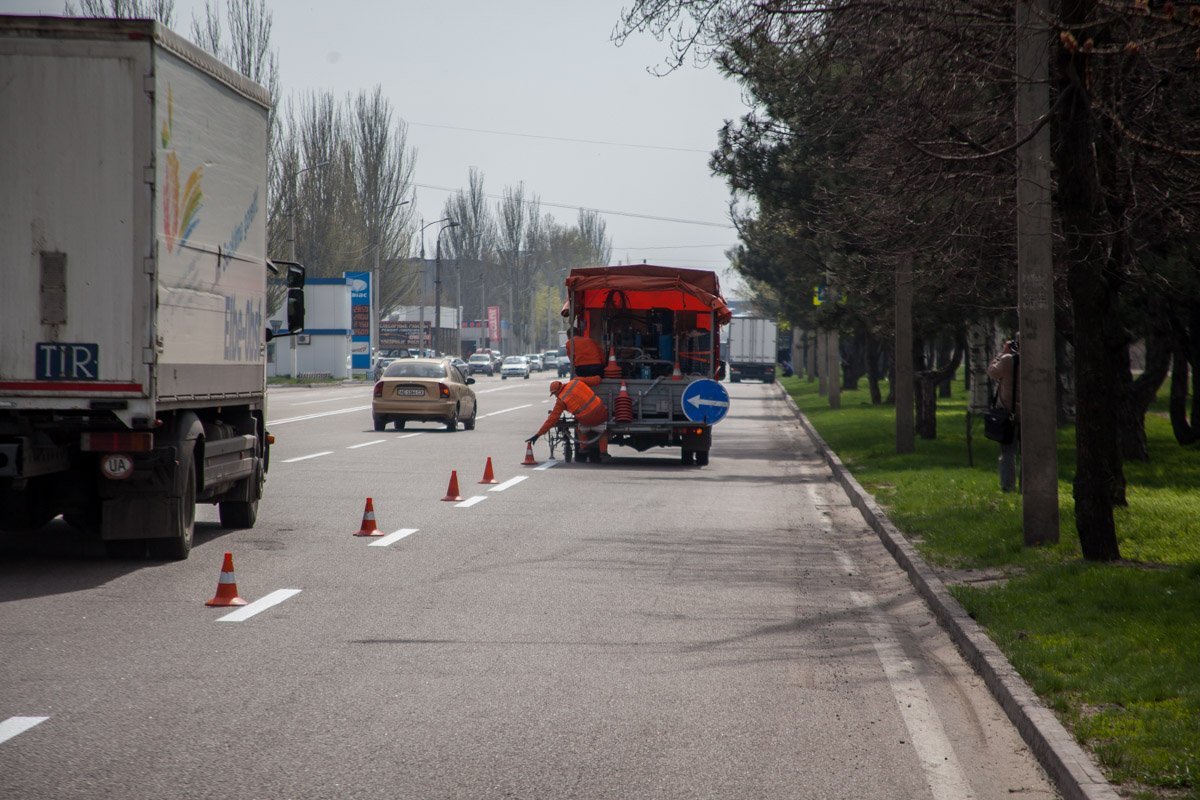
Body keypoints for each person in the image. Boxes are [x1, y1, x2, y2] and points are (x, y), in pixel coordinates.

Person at [527, 379, 610, 461]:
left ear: (557, 391)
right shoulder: (576, 381)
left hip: (586, 419)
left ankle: (583, 447)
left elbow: (552, 419)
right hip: (600, 411)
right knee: (603, 430)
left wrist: (538, 435)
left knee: (579, 428)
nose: (555, 396)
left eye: (554, 394)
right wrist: (599, 377)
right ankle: (603, 452)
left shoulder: (561, 400)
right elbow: (596, 381)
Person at [986, 336, 1019, 492]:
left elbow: (992, 372)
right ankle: (1028, 487)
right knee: (1030, 453)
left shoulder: (1007, 360)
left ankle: (1008, 486)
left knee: (1007, 453)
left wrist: (1002, 352)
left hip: (1009, 413)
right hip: (1031, 413)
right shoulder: (1037, 359)